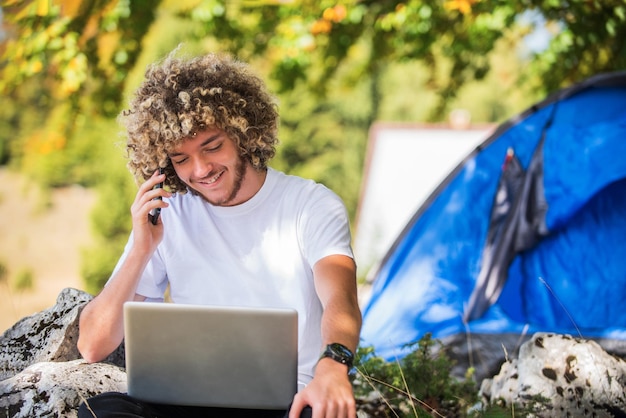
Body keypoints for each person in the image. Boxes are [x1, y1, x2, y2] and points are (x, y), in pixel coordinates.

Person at [76, 49, 362, 418]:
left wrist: (333, 365)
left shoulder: (311, 205)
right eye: (181, 159)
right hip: (184, 400)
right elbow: (93, 345)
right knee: (101, 411)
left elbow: (342, 301)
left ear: (243, 134)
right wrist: (140, 251)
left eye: (212, 147)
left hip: (286, 404)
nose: (201, 170)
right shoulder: (169, 215)